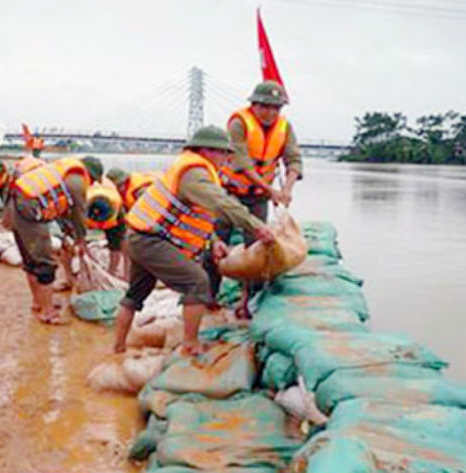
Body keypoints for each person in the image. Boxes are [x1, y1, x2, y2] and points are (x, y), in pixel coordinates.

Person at [113, 126, 274, 356]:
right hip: (152, 241)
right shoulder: (195, 173)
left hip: (140, 237)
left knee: (135, 295)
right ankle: (190, 344)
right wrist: (256, 225)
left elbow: (196, 215)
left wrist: (214, 240)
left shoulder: (190, 170)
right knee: (197, 281)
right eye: (224, 153)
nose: (227, 159)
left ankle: (118, 347)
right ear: (207, 151)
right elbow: (220, 203)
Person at [207, 80, 303, 317]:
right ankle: (208, 298)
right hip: (228, 195)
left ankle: (247, 301)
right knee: (216, 244)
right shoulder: (239, 123)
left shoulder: (284, 128)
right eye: (265, 107)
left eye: (276, 108)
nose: (270, 113)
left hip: (258, 199)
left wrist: (287, 189)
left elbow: (293, 160)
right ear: (254, 105)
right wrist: (272, 191)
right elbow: (242, 163)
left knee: (257, 249)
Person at [5, 155, 103, 324]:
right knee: (45, 264)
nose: (92, 185)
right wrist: (81, 240)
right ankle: (47, 312)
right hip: (29, 211)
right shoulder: (78, 181)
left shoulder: (63, 174)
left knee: (31, 261)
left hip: (16, 206)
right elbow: (79, 214)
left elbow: (62, 209)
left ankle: (39, 303)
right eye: (93, 181)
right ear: (91, 174)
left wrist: (68, 234)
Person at [85, 177, 126, 276]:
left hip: (113, 213)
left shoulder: (118, 207)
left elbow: (119, 242)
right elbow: (77, 235)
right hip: (89, 201)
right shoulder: (80, 204)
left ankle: (112, 272)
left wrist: (110, 274)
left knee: (118, 242)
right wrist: (89, 259)